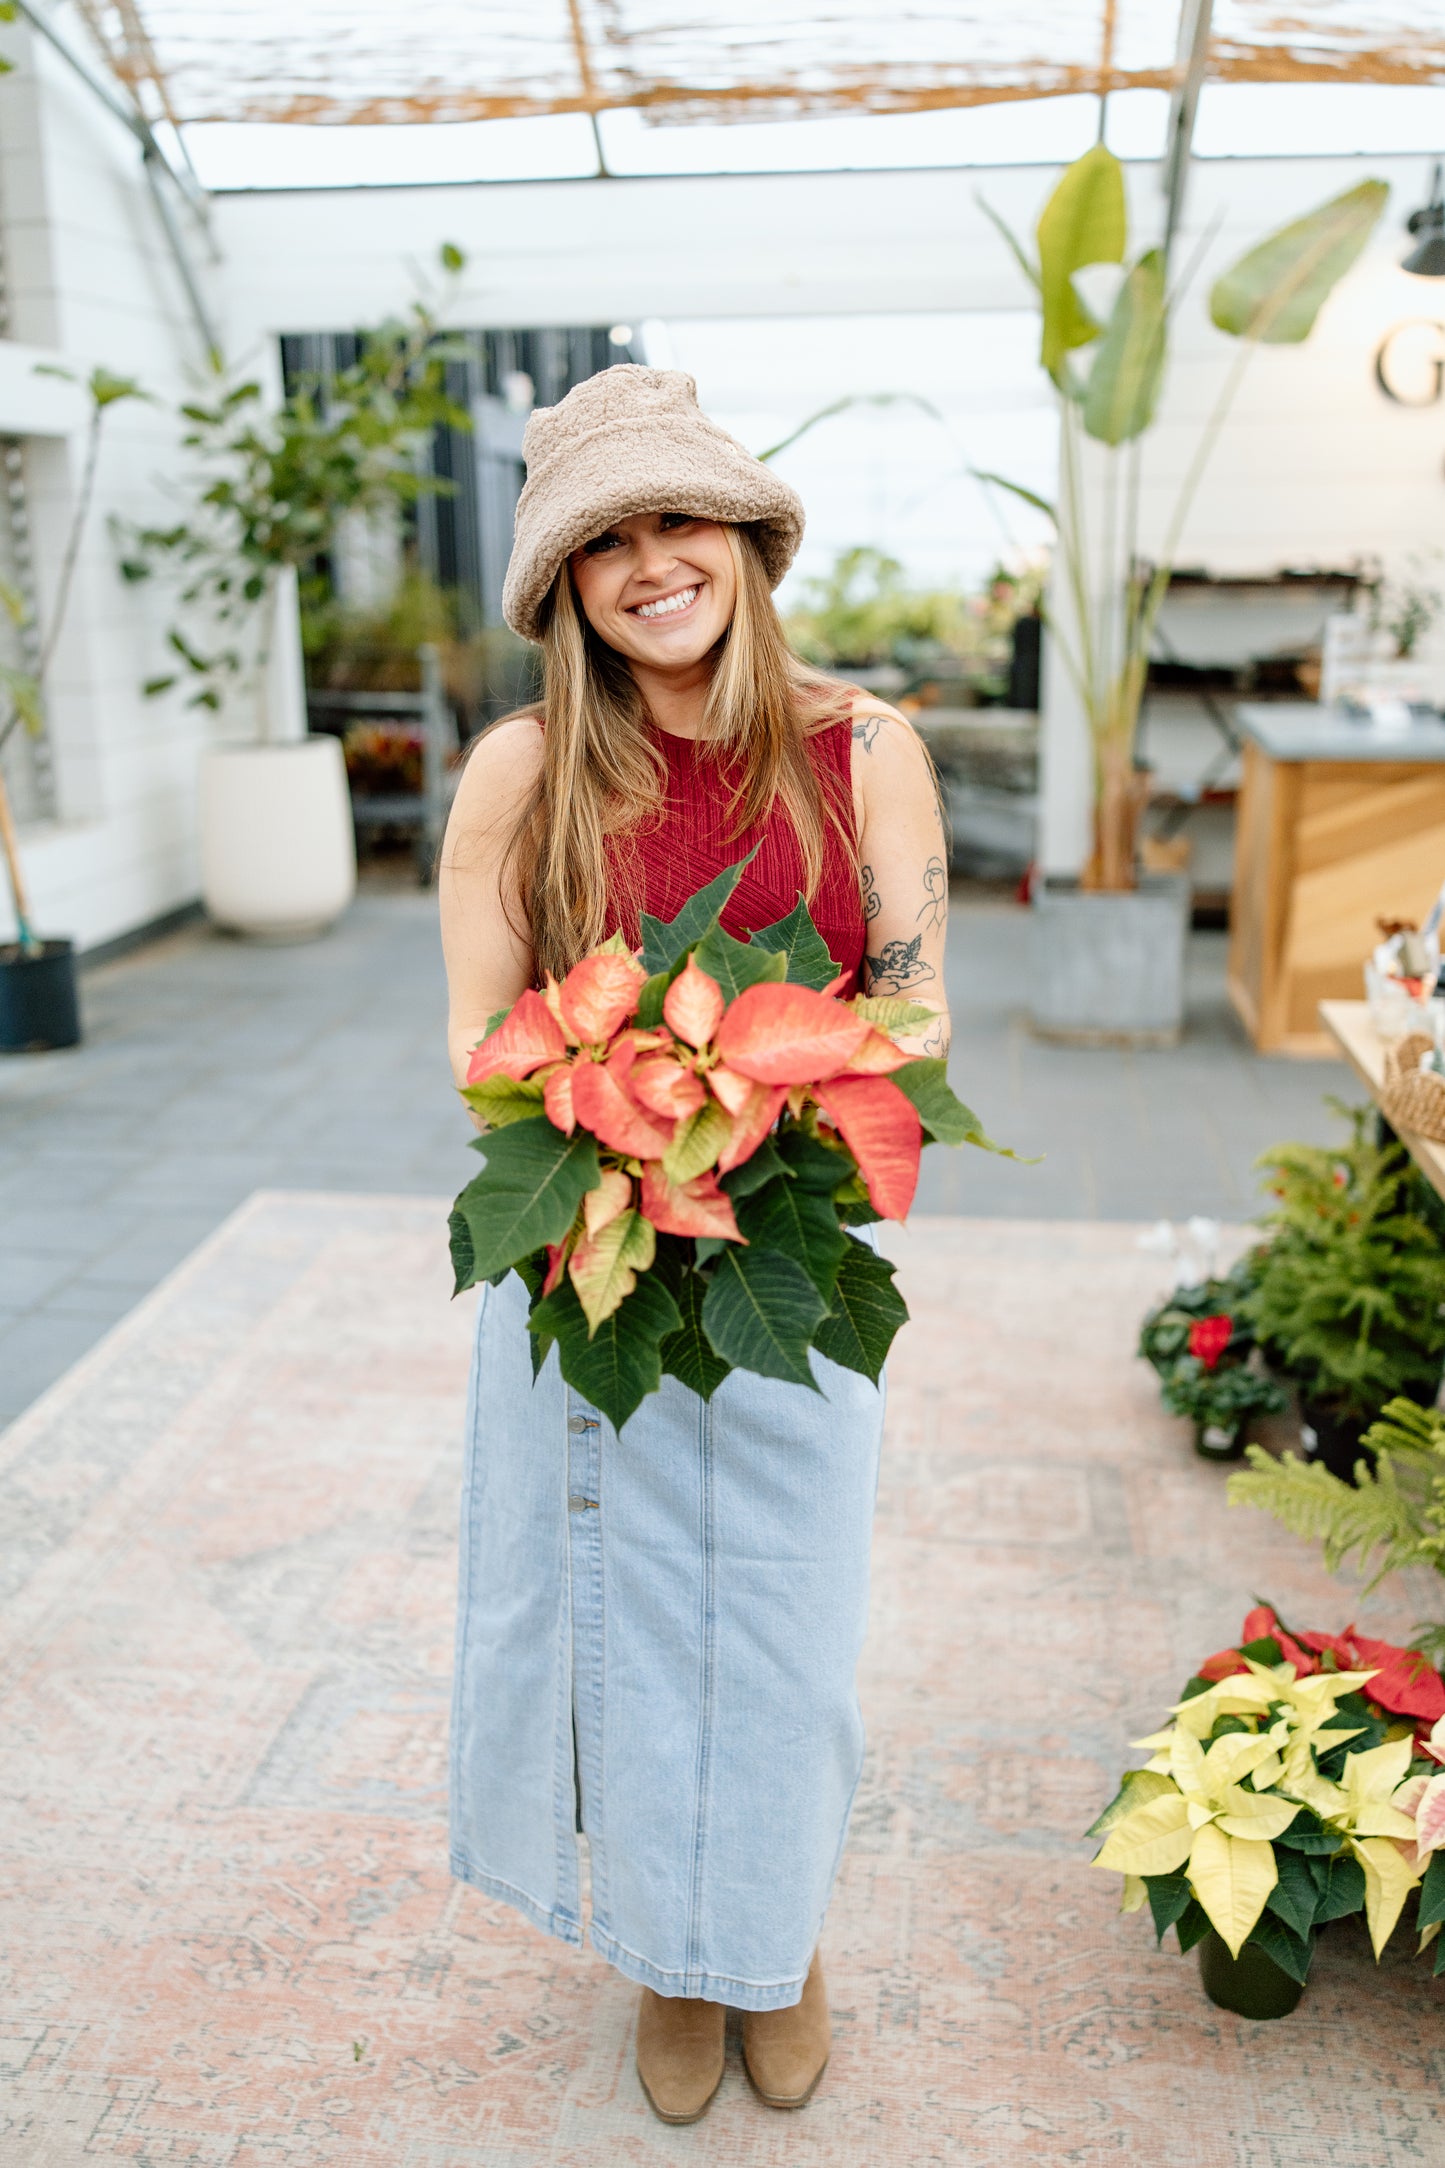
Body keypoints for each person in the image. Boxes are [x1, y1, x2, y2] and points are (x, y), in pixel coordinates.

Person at [439, 365, 949, 2124]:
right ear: (564, 586)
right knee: (622, 1626)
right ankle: (669, 1957)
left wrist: (755, 1125)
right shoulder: (523, 769)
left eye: (681, 523)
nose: (652, 564)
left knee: (785, 1633)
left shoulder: (864, 749)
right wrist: (625, 1121)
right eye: (609, 542)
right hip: (597, 1258)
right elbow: (480, 1043)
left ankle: (772, 1943)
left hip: (781, 1251)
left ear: (742, 539)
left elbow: (912, 1014)